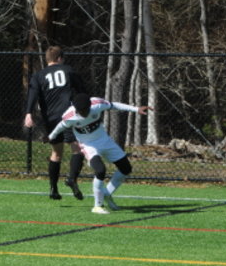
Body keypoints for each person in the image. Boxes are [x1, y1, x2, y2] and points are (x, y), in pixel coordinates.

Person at [48, 93, 153, 214]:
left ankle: (107, 193)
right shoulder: (69, 116)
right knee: (100, 170)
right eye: (80, 111)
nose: (83, 113)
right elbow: (60, 126)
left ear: (90, 106)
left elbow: (114, 105)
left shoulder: (97, 104)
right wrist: (50, 137)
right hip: (88, 146)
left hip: (105, 141)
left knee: (126, 168)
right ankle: (97, 206)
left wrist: (136, 109)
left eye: (85, 110)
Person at [24, 46, 86, 200]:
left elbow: (32, 94)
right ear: (59, 58)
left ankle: (53, 189)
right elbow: (82, 91)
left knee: (56, 153)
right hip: (69, 115)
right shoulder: (68, 70)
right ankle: (72, 179)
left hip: (51, 118)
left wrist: (28, 113)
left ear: (47, 59)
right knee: (77, 148)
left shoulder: (38, 75)